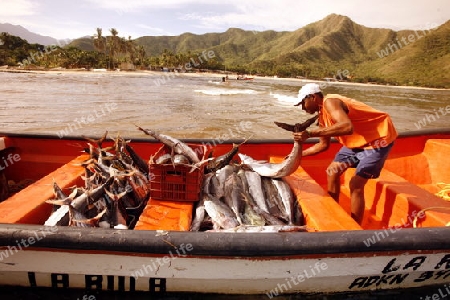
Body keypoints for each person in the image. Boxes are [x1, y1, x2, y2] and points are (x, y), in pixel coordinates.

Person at [292, 83, 398, 224]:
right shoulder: (322, 117)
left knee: (355, 184)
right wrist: (298, 155)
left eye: (303, 103)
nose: (303, 108)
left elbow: (347, 126)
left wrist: (310, 133)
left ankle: (355, 225)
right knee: (332, 171)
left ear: (313, 97)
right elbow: (323, 145)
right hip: (357, 142)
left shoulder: (330, 102)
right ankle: (333, 211)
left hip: (378, 140)